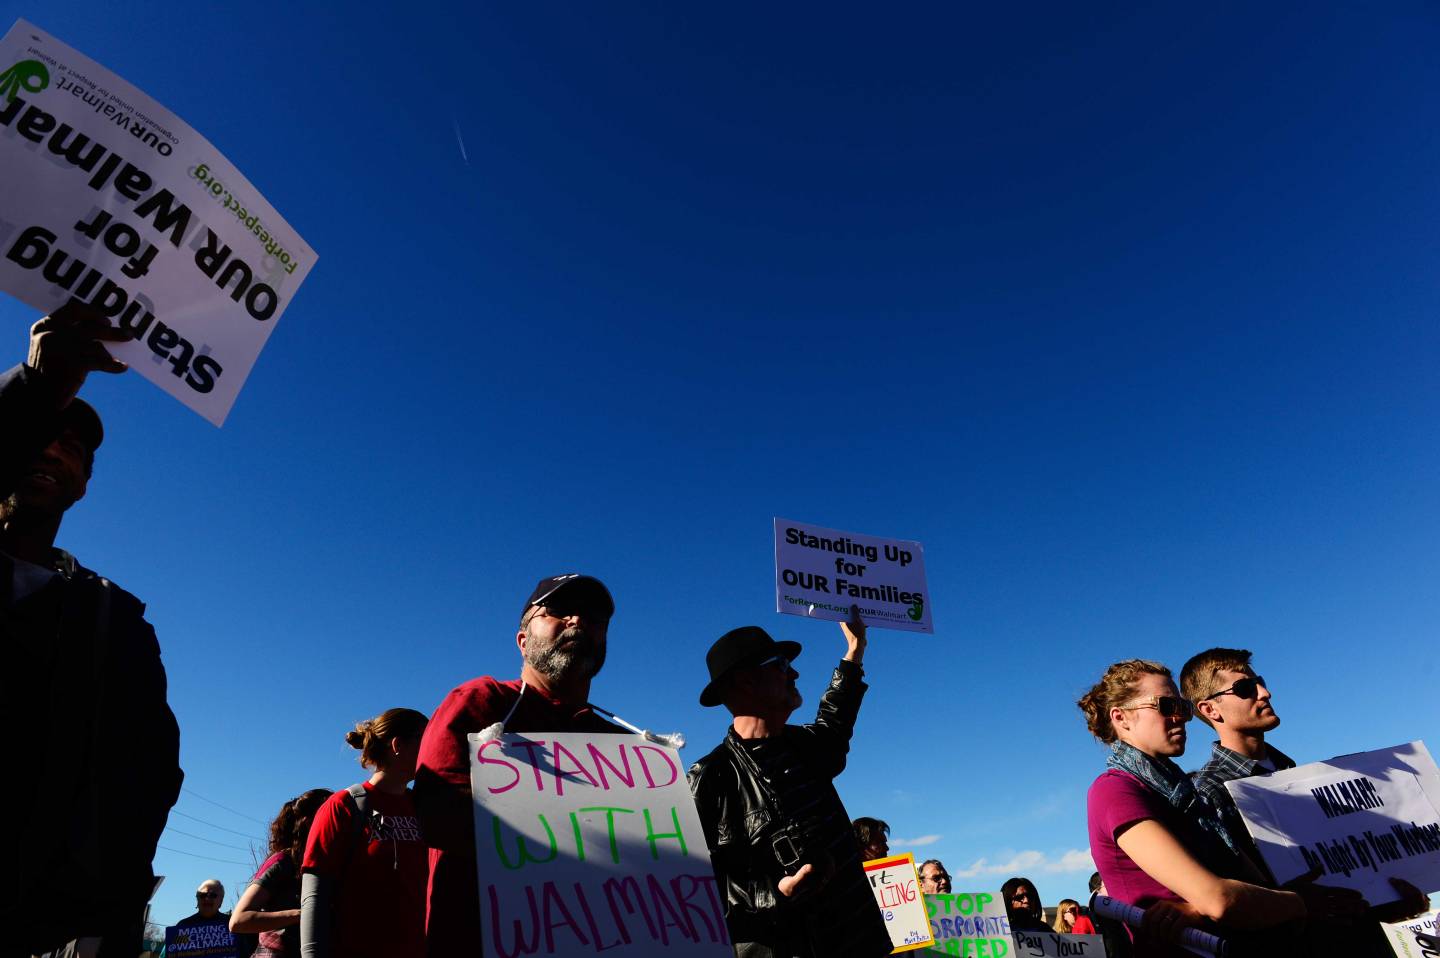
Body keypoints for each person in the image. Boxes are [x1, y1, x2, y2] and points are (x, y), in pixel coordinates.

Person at [5, 303, 183, 958]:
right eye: (41, 431)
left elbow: (147, 775)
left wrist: (102, 897)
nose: (54, 448)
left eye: (74, 446)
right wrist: (35, 386)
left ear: (85, 482)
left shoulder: (114, 621)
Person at [1078, 659, 1367, 956]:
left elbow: (1247, 885)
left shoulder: (1188, 796)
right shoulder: (1114, 790)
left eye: (1182, 706)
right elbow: (1218, 899)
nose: (1182, 717)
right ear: (1121, 717)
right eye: (1166, 706)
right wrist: (1302, 902)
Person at [414, 574, 626, 957]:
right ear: (523, 641)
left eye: (595, 617)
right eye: (558, 611)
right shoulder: (482, 703)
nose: (578, 621)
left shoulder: (623, 747)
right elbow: (437, 810)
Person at [688, 607, 892, 958]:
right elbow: (694, 885)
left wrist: (855, 651)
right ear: (745, 682)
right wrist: (775, 893)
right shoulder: (711, 778)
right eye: (780, 665)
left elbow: (836, 720)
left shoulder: (804, 747)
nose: (795, 672)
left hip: (862, 943)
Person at [301, 709, 429, 958]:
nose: (432, 751)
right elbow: (314, 899)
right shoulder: (344, 806)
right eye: (425, 741)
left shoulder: (424, 807)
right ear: (398, 745)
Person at [232, 790, 330, 957]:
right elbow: (239, 921)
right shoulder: (283, 860)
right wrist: (301, 914)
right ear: (309, 823)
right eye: (330, 815)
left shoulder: (327, 863)